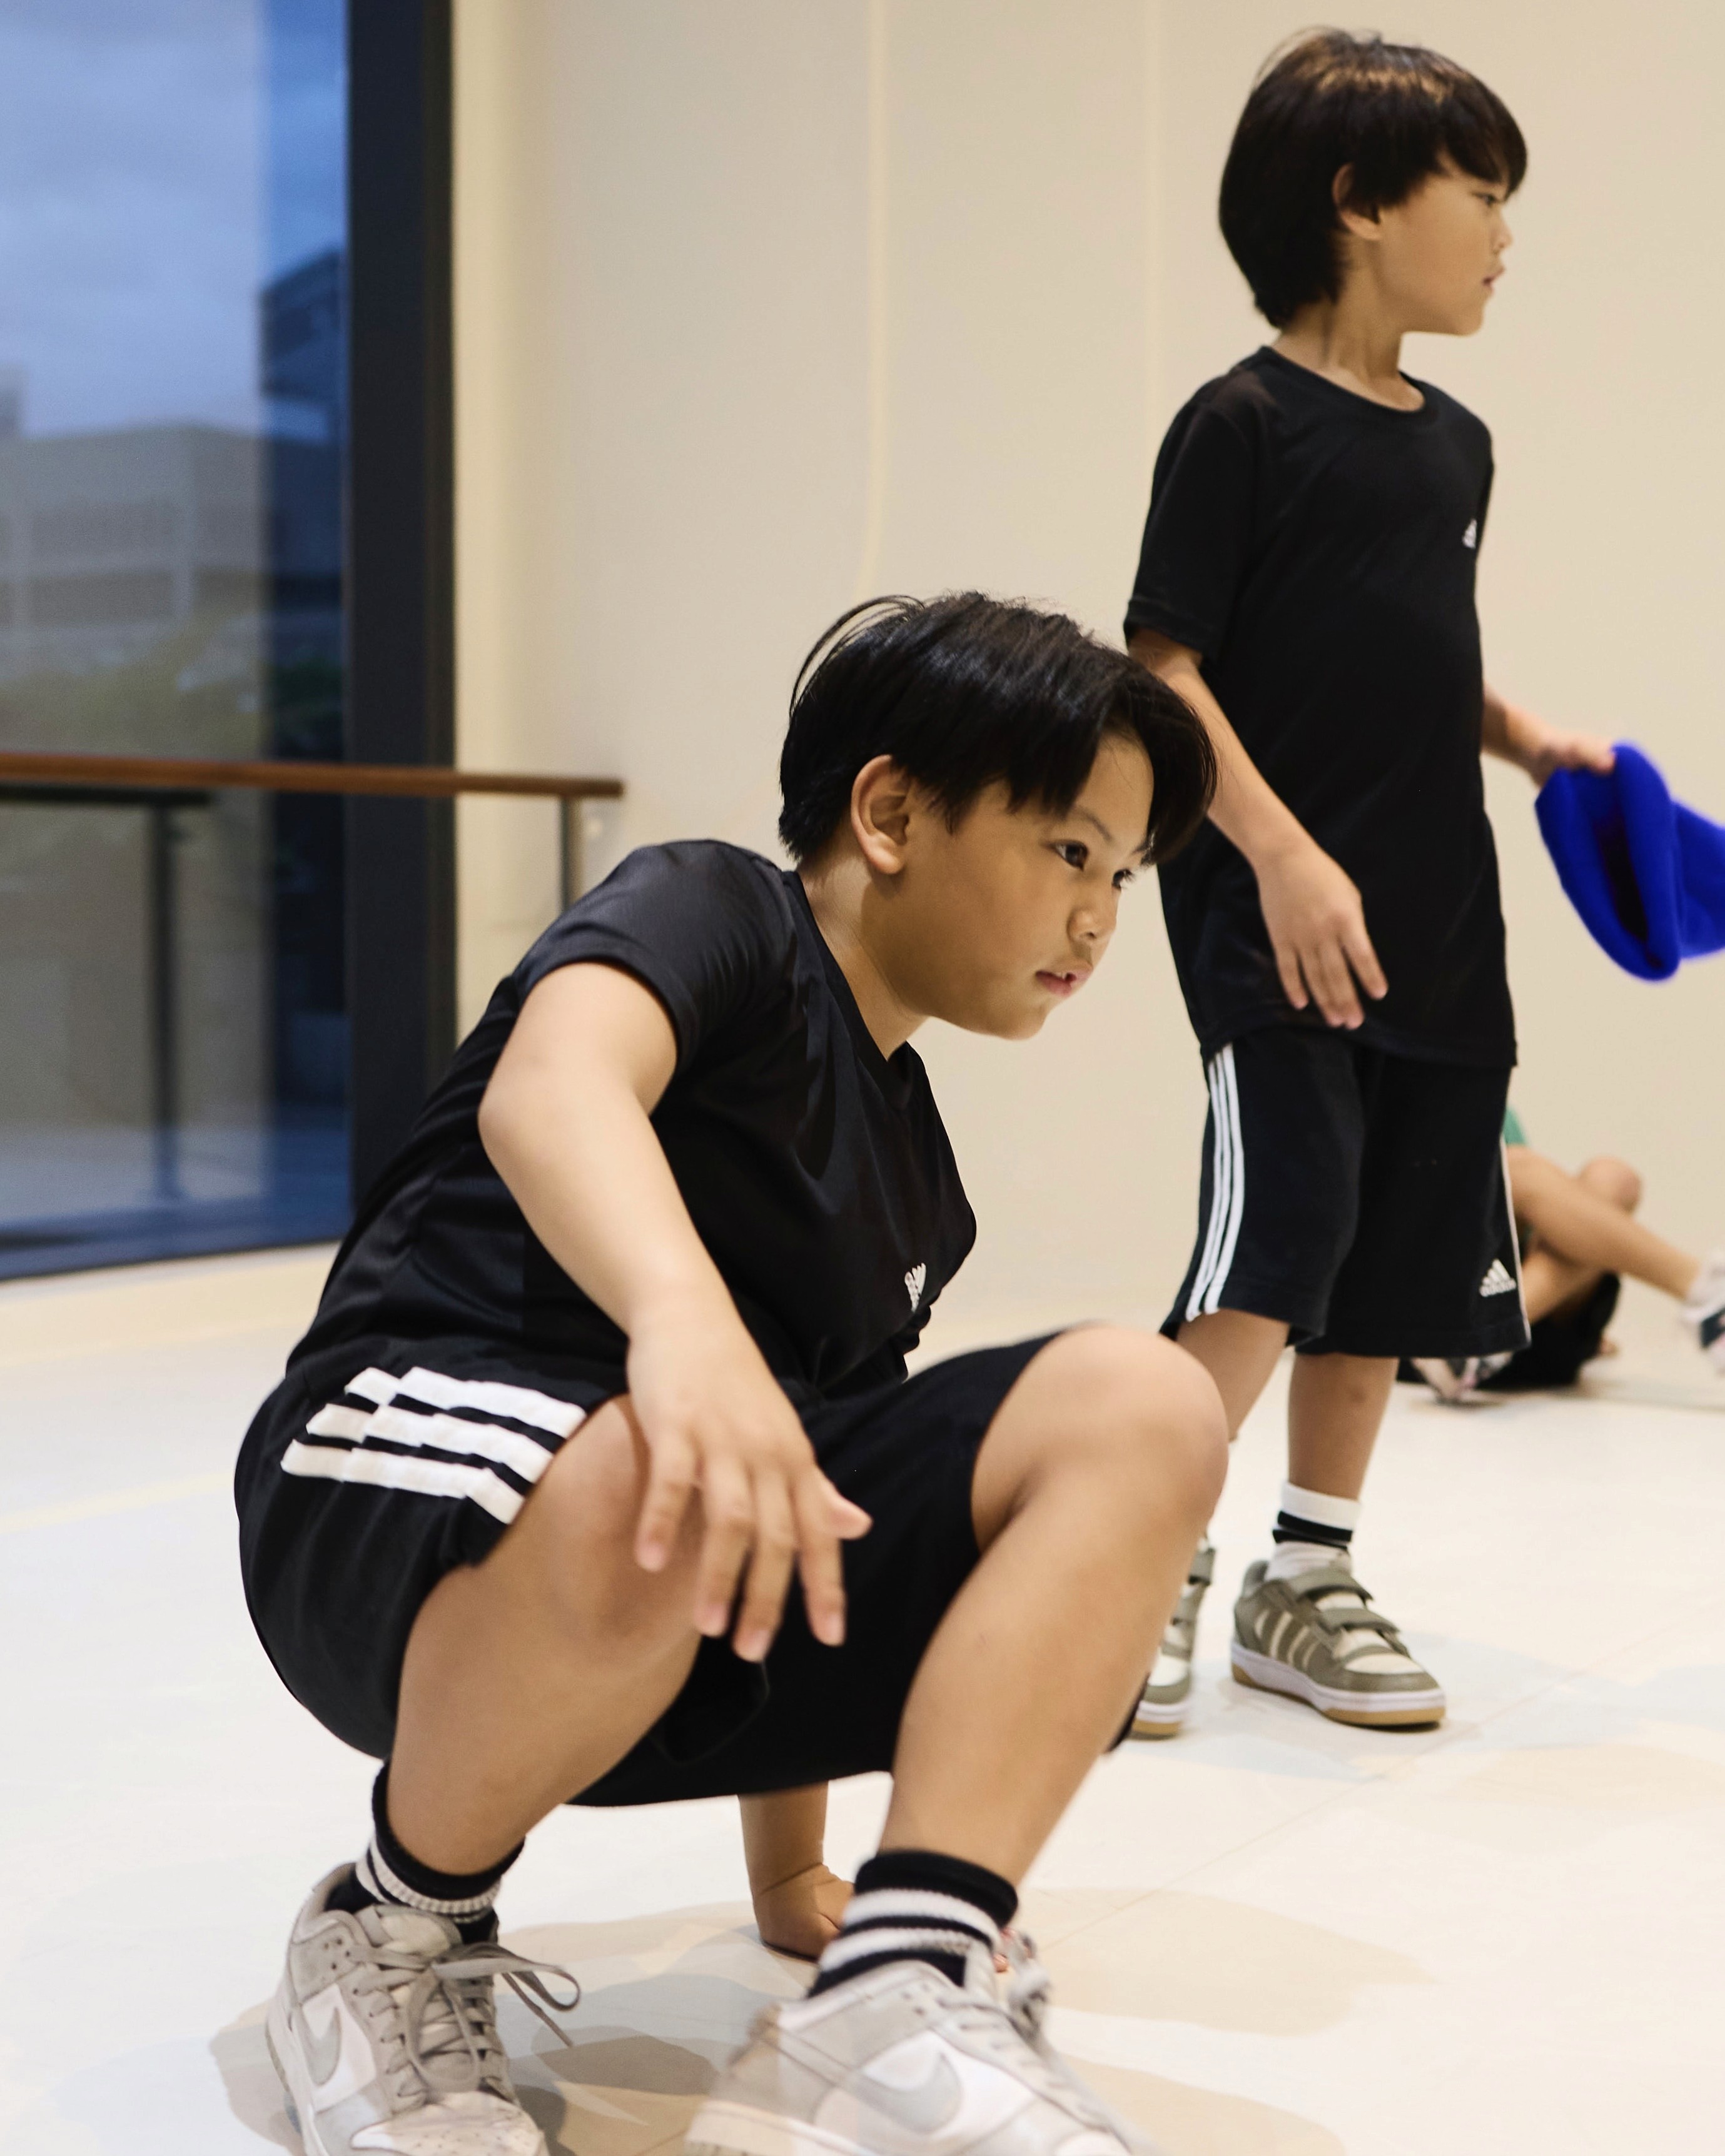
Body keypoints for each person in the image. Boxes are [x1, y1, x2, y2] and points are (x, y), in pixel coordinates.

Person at [235, 592, 1227, 2156]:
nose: (1101, 916)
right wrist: (683, 1329)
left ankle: (912, 1962)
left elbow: (807, 1471)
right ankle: (390, 1928)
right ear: (890, 810)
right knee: (659, 1469)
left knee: (1144, 1400)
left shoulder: (919, 1176)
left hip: (654, 1597)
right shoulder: (717, 912)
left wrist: (792, 1886)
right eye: (1068, 850)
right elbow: (554, 1087)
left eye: (1124, 872)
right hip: (384, 1493)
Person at [1122, 30, 1616, 1740]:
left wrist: (1523, 738)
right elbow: (1162, 670)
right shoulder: (1236, 429)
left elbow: (1409, 658)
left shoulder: (1454, 446)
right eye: (1478, 195)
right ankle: (1135, 1566)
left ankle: (1302, 1573)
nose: (1500, 235)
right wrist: (1273, 852)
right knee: (1279, 1235)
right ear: (1353, 201)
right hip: (1275, 914)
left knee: (1398, 1253)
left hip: (1434, 914)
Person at [1406, 1111, 1725, 1398]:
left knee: (1613, 1176)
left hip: (1533, 1331)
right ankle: (1709, 1296)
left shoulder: (1495, 1103)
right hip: (1429, 1330)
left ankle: (1486, 1338)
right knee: (1515, 1166)